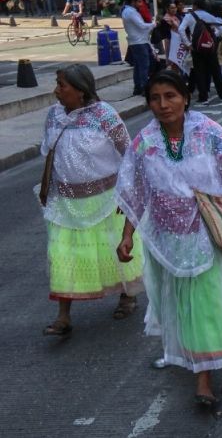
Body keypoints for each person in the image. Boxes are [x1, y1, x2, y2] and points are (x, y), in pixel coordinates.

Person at [116, 69, 222, 407]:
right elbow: (134, 191)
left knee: (205, 302)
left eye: (171, 96)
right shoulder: (145, 141)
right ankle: (180, 351)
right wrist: (127, 236)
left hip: (205, 234)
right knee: (175, 301)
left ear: (185, 98)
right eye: (155, 98)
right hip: (165, 237)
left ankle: (204, 378)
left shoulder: (209, 133)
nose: (163, 105)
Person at [38, 65, 143, 336]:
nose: (56, 91)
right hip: (65, 203)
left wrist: (128, 193)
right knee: (62, 255)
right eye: (57, 84)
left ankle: (127, 296)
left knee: (114, 249)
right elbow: (49, 153)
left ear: (81, 90)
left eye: (62, 85)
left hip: (106, 200)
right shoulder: (54, 116)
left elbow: (128, 154)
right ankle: (63, 316)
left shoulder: (104, 115)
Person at [179, 0, 222, 104]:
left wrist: (188, 44)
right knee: (215, 70)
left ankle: (203, 96)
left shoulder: (189, 16)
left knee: (199, 71)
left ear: (195, 6)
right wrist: (214, 39)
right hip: (210, 48)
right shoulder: (209, 16)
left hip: (196, 48)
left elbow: (181, 29)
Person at [122, 0, 157, 96]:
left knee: (138, 66)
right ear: (133, 2)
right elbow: (141, 25)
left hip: (137, 41)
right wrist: (153, 25)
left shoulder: (128, 11)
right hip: (139, 41)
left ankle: (138, 87)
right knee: (144, 66)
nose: (141, 4)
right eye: (139, 1)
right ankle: (144, 88)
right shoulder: (130, 12)